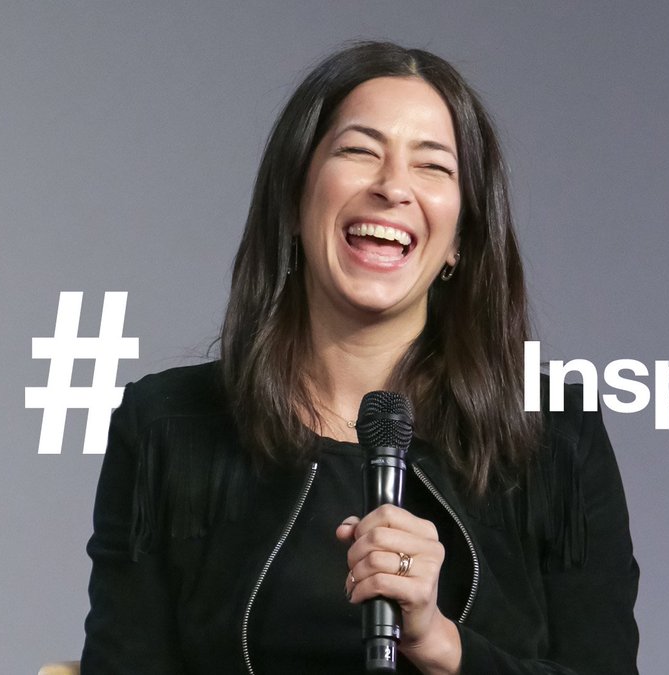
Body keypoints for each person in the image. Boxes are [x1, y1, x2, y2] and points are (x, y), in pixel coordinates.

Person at [80, 41, 639, 674]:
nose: (393, 187)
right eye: (360, 151)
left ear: (460, 238)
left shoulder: (552, 432)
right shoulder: (169, 426)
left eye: (433, 166)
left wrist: (443, 645)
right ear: (294, 198)